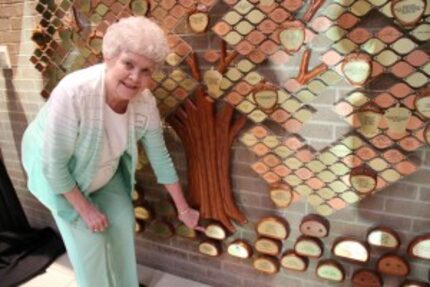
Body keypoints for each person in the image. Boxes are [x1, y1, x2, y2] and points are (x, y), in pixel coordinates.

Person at [21, 16, 201, 287]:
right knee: (91, 241)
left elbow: (159, 157)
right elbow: (53, 166)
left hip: (104, 171)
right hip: (59, 177)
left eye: (146, 71)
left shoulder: (145, 103)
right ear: (109, 57)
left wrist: (184, 209)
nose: (135, 78)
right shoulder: (74, 93)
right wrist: (86, 210)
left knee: (122, 224)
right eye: (128, 64)